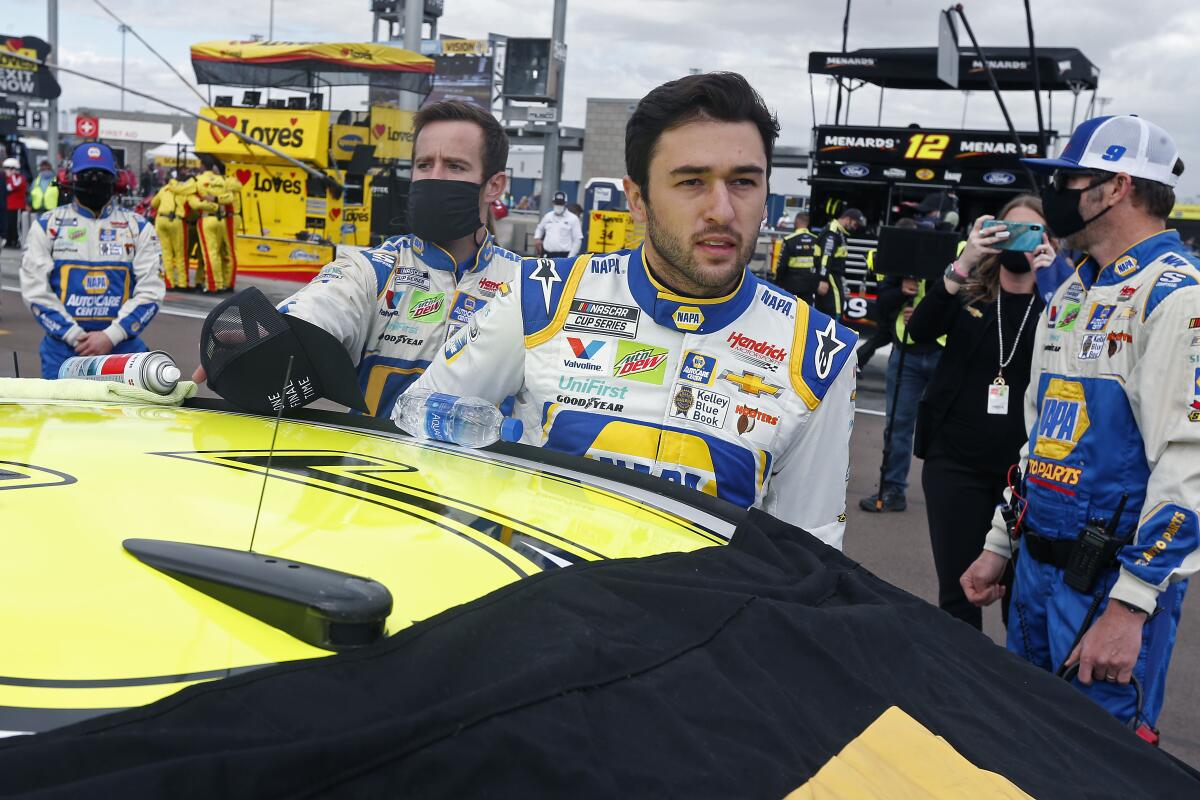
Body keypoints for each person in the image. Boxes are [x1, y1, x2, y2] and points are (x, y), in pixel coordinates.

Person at [412, 72, 858, 547]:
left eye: (744, 182)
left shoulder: (818, 354)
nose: (722, 211)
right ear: (638, 199)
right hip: (540, 611)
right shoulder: (539, 297)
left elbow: (808, 555)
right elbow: (415, 433)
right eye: (691, 182)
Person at [960, 116, 1199, 733]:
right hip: (1035, 572)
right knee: (1026, 744)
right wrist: (999, 544)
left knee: (1101, 761)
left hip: (1109, 589)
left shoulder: (1177, 296)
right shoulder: (1070, 294)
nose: (1054, 194)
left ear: (1117, 187)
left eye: (1068, 178)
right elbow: (1041, 436)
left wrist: (1131, 605)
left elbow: (1190, 463)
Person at [192, 100, 523, 418]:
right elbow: (315, 312)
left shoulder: (526, 285)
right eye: (424, 164)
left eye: (454, 166)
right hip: (374, 470)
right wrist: (252, 335)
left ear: (494, 185)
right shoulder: (372, 270)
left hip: (483, 474)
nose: (433, 177)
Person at [907, 195, 1056, 629]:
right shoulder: (969, 291)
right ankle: (958, 693)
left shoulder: (1059, 304)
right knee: (958, 597)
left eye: (1033, 233)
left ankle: (1017, 692)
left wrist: (1057, 284)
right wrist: (965, 261)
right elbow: (917, 333)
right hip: (955, 464)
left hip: (1028, 472)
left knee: (1022, 601)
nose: (1021, 243)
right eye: (1011, 231)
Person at [20, 142, 164, 378]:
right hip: (64, 347)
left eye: (102, 175)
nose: (94, 180)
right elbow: (35, 291)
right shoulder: (47, 226)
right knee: (60, 416)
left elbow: (152, 290)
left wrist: (111, 336)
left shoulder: (138, 227)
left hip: (122, 346)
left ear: (116, 180)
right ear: (70, 178)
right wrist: (75, 336)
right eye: (87, 174)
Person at [858, 264, 943, 513]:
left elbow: (964, 302)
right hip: (906, 354)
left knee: (947, 429)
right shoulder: (902, 259)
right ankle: (893, 490)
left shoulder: (954, 254)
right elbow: (881, 305)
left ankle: (950, 492)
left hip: (944, 354)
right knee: (897, 425)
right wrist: (901, 292)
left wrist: (927, 315)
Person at [814, 206, 865, 320]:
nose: (855, 228)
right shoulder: (832, 232)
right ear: (847, 219)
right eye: (855, 224)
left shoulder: (839, 232)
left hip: (834, 276)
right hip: (830, 276)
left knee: (833, 308)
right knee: (835, 309)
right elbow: (826, 256)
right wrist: (823, 279)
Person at [774, 211, 821, 304]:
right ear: (807, 223)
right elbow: (819, 263)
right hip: (809, 285)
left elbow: (781, 264)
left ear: (796, 221)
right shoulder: (816, 240)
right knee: (807, 312)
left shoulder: (789, 240)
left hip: (791, 284)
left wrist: (778, 283)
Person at [150, 177, 188, 290]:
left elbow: (153, 203)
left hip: (161, 220)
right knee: (179, 253)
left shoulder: (163, 189)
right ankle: (182, 283)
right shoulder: (183, 190)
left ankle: (169, 282)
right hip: (176, 220)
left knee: (166, 253)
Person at [534, 190, 583, 258]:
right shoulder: (548, 216)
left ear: (565, 203)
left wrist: (570, 257)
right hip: (547, 254)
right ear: (553, 203)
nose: (558, 206)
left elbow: (577, 240)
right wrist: (537, 238)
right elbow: (540, 228)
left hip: (564, 255)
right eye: (557, 203)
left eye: (560, 203)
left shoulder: (573, 219)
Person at [4, 157, 27, 248]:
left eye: (9, 168)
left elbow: (11, 187)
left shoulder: (19, 178)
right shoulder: (6, 178)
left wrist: (12, 175)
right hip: (8, 207)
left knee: (16, 226)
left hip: (17, 207)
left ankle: (17, 241)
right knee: (8, 225)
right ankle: (9, 240)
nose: (6, 171)